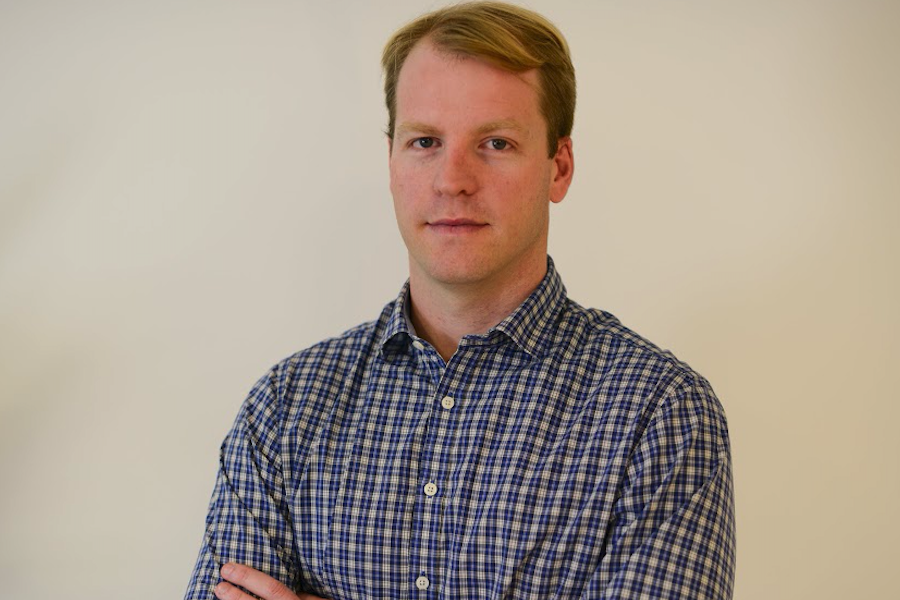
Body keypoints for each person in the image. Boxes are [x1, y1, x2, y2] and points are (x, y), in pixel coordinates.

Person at [185, 2, 736, 599]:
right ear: (391, 161)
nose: (452, 180)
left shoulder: (659, 416)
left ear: (559, 167)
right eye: (425, 141)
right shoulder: (285, 410)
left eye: (495, 143)